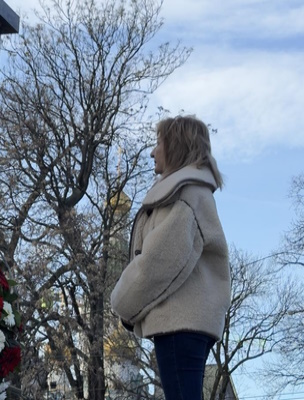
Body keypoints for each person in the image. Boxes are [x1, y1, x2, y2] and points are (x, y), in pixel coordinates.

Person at [110, 115, 231, 400]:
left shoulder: (184, 195)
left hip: (179, 324)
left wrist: (122, 303)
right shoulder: (193, 192)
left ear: (175, 146)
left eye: (158, 143)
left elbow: (158, 263)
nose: (153, 152)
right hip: (191, 322)